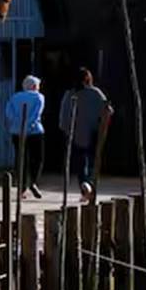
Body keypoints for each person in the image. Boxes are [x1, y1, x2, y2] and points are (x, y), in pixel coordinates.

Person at [58, 67, 114, 202]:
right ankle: (89, 186)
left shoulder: (69, 94)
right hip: (93, 132)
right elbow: (108, 110)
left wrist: (66, 130)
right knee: (92, 162)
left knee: (81, 163)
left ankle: (84, 188)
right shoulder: (95, 93)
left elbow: (63, 116)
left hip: (75, 133)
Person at [4, 74, 46, 198]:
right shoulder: (39, 97)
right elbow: (36, 114)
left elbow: (9, 114)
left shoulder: (14, 97)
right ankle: (33, 181)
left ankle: (21, 188)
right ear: (34, 86)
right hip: (35, 132)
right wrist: (29, 125)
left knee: (20, 158)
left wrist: (17, 124)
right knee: (37, 158)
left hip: (17, 131)